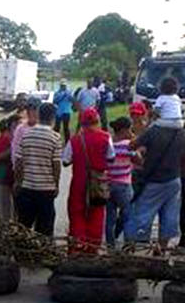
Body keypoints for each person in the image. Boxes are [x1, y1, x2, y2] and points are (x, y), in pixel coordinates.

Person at [125, 109, 185, 250]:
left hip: (154, 179)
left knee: (142, 214)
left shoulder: (154, 131)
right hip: (174, 180)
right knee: (169, 216)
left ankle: (137, 249)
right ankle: (162, 249)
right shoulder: (181, 132)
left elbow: (132, 146)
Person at [62, 108, 115, 252]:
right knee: (97, 214)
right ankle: (92, 250)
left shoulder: (75, 140)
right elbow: (111, 158)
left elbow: (65, 161)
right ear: (97, 121)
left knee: (76, 213)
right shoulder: (106, 137)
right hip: (98, 183)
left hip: (79, 182)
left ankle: (77, 247)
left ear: (82, 123)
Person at [14, 102, 61, 237]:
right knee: (45, 228)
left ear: (39, 115)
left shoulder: (26, 135)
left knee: (24, 226)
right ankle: (42, 255)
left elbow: (19, 161)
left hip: (27, 187)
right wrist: (56, 185)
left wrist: (18, 182)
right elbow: (56, 165)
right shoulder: (55, 137)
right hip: (46, 189)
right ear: (53, 117)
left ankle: (22, 254)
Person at [105, 117, 138, 247]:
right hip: (123, 185)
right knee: (129, 216)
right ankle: (129, 244)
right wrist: (134, 140)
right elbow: (139, 160)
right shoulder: (127, 145)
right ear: (124, 130)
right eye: (130, 129)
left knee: (110, 218)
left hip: (108, 185)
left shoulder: (108, 144)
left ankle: (110, 245)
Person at [0, 116, 19, 220]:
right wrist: (13, 149)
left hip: (3, 181)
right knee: (4, 214)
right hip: (2, 181)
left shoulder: (3, 139)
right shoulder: (5, 140)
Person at [11, 97, 40, 170]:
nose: (31, 112)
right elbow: (15, 148)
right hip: (24, 169)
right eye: (29, 109)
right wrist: (16, 167)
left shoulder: (43, 128)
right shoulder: (21, 128)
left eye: (34, 109)